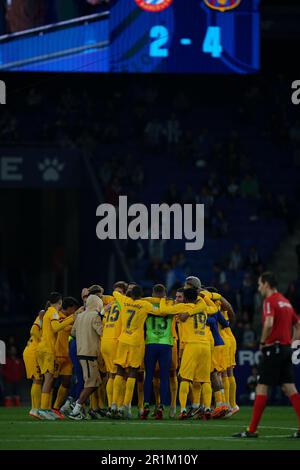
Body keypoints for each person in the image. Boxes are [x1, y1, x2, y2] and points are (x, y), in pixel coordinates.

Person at [233, 272, 300, 439]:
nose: (258, 287)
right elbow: (298, 324)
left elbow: (269, 323)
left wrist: (262, 342)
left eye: (259, 284)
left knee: (261, 387)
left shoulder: (269, 301)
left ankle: (252, 430)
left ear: (266, 284)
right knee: (289, 388)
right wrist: (292, 342)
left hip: (273, 349)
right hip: (285, 349)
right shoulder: (286, 302)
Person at [68, 295, 103, 420]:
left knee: (96, 381)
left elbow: (73, 332)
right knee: (91, 383)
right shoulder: (95, 316)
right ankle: (76, 408)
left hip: (81, 351)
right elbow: (101, 331)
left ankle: (78, 407)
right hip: (89, 354)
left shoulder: (80, 315)